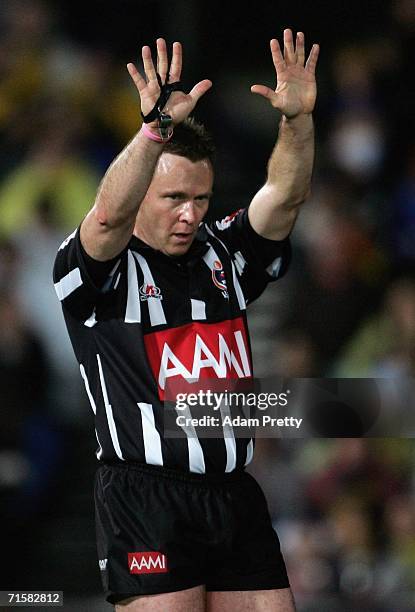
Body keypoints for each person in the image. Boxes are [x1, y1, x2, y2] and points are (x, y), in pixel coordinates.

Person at [53, 29, 319, 612]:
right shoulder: (104, 270)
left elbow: (285, 196)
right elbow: (103, 219)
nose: (190, 214)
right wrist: (152, 132)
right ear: (142, 190)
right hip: (145, 498)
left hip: (233, 494)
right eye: (174, 198)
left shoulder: (222, 251)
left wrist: (296, 123)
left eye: (200, 199)